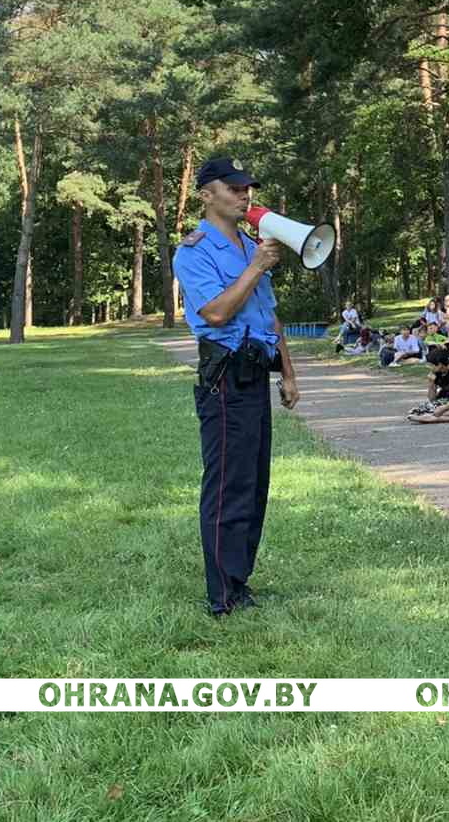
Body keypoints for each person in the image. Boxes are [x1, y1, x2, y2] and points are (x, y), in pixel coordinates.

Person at [172, 156, 299, 617]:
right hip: (224, 380)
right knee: (227, 485)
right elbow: (216, 313)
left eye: (247, 187)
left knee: (253, 483)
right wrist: (257, 267)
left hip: (254, 378)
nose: (244, 195)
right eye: (234, 188)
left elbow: (269, 315)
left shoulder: (250, 245)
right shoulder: (194, 251)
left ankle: (240, 581)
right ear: (207, 194)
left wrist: (287, 372)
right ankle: (222, 595)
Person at [410, 346, 449, 423]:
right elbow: (432, 399)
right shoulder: (435, 372)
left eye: (432, 365)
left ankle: (431, 417)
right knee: (416, 411)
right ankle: (439, 417)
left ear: (440, 364)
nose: (430, 367)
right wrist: (431, 383)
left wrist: (444, 408)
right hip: (443, 400)